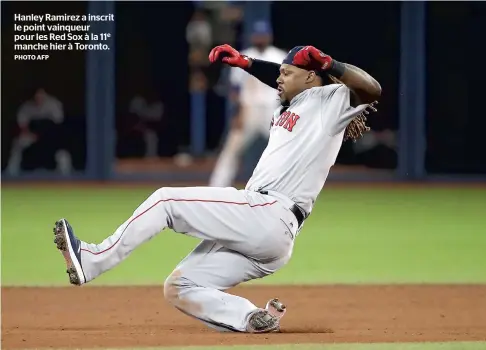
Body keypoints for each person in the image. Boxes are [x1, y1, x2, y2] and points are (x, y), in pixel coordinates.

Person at [53, 44, 381, 334]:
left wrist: (330, 64)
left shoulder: (329, 100)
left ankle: (93, 259)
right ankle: (251, 317)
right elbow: (283, 79)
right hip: (271, 237)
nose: (279, 78)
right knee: (179, 286)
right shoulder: (297, 102)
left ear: (310, 76)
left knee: (166, 200)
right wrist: (247, 64)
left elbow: (371, 89)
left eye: (287, 72)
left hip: (270, 213)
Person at [209, 20, 287, 187]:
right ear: (253, 36)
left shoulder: (279, 57)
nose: (260, 38)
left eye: (263, 35)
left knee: (285, 150)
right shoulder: (243, 55)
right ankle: (215, 188)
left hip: (272, 112)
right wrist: (237, 113)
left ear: (269, 36)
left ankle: (289, 188)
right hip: (248, 111)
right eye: (258, 35)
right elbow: (235, 90)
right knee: (231, 152)